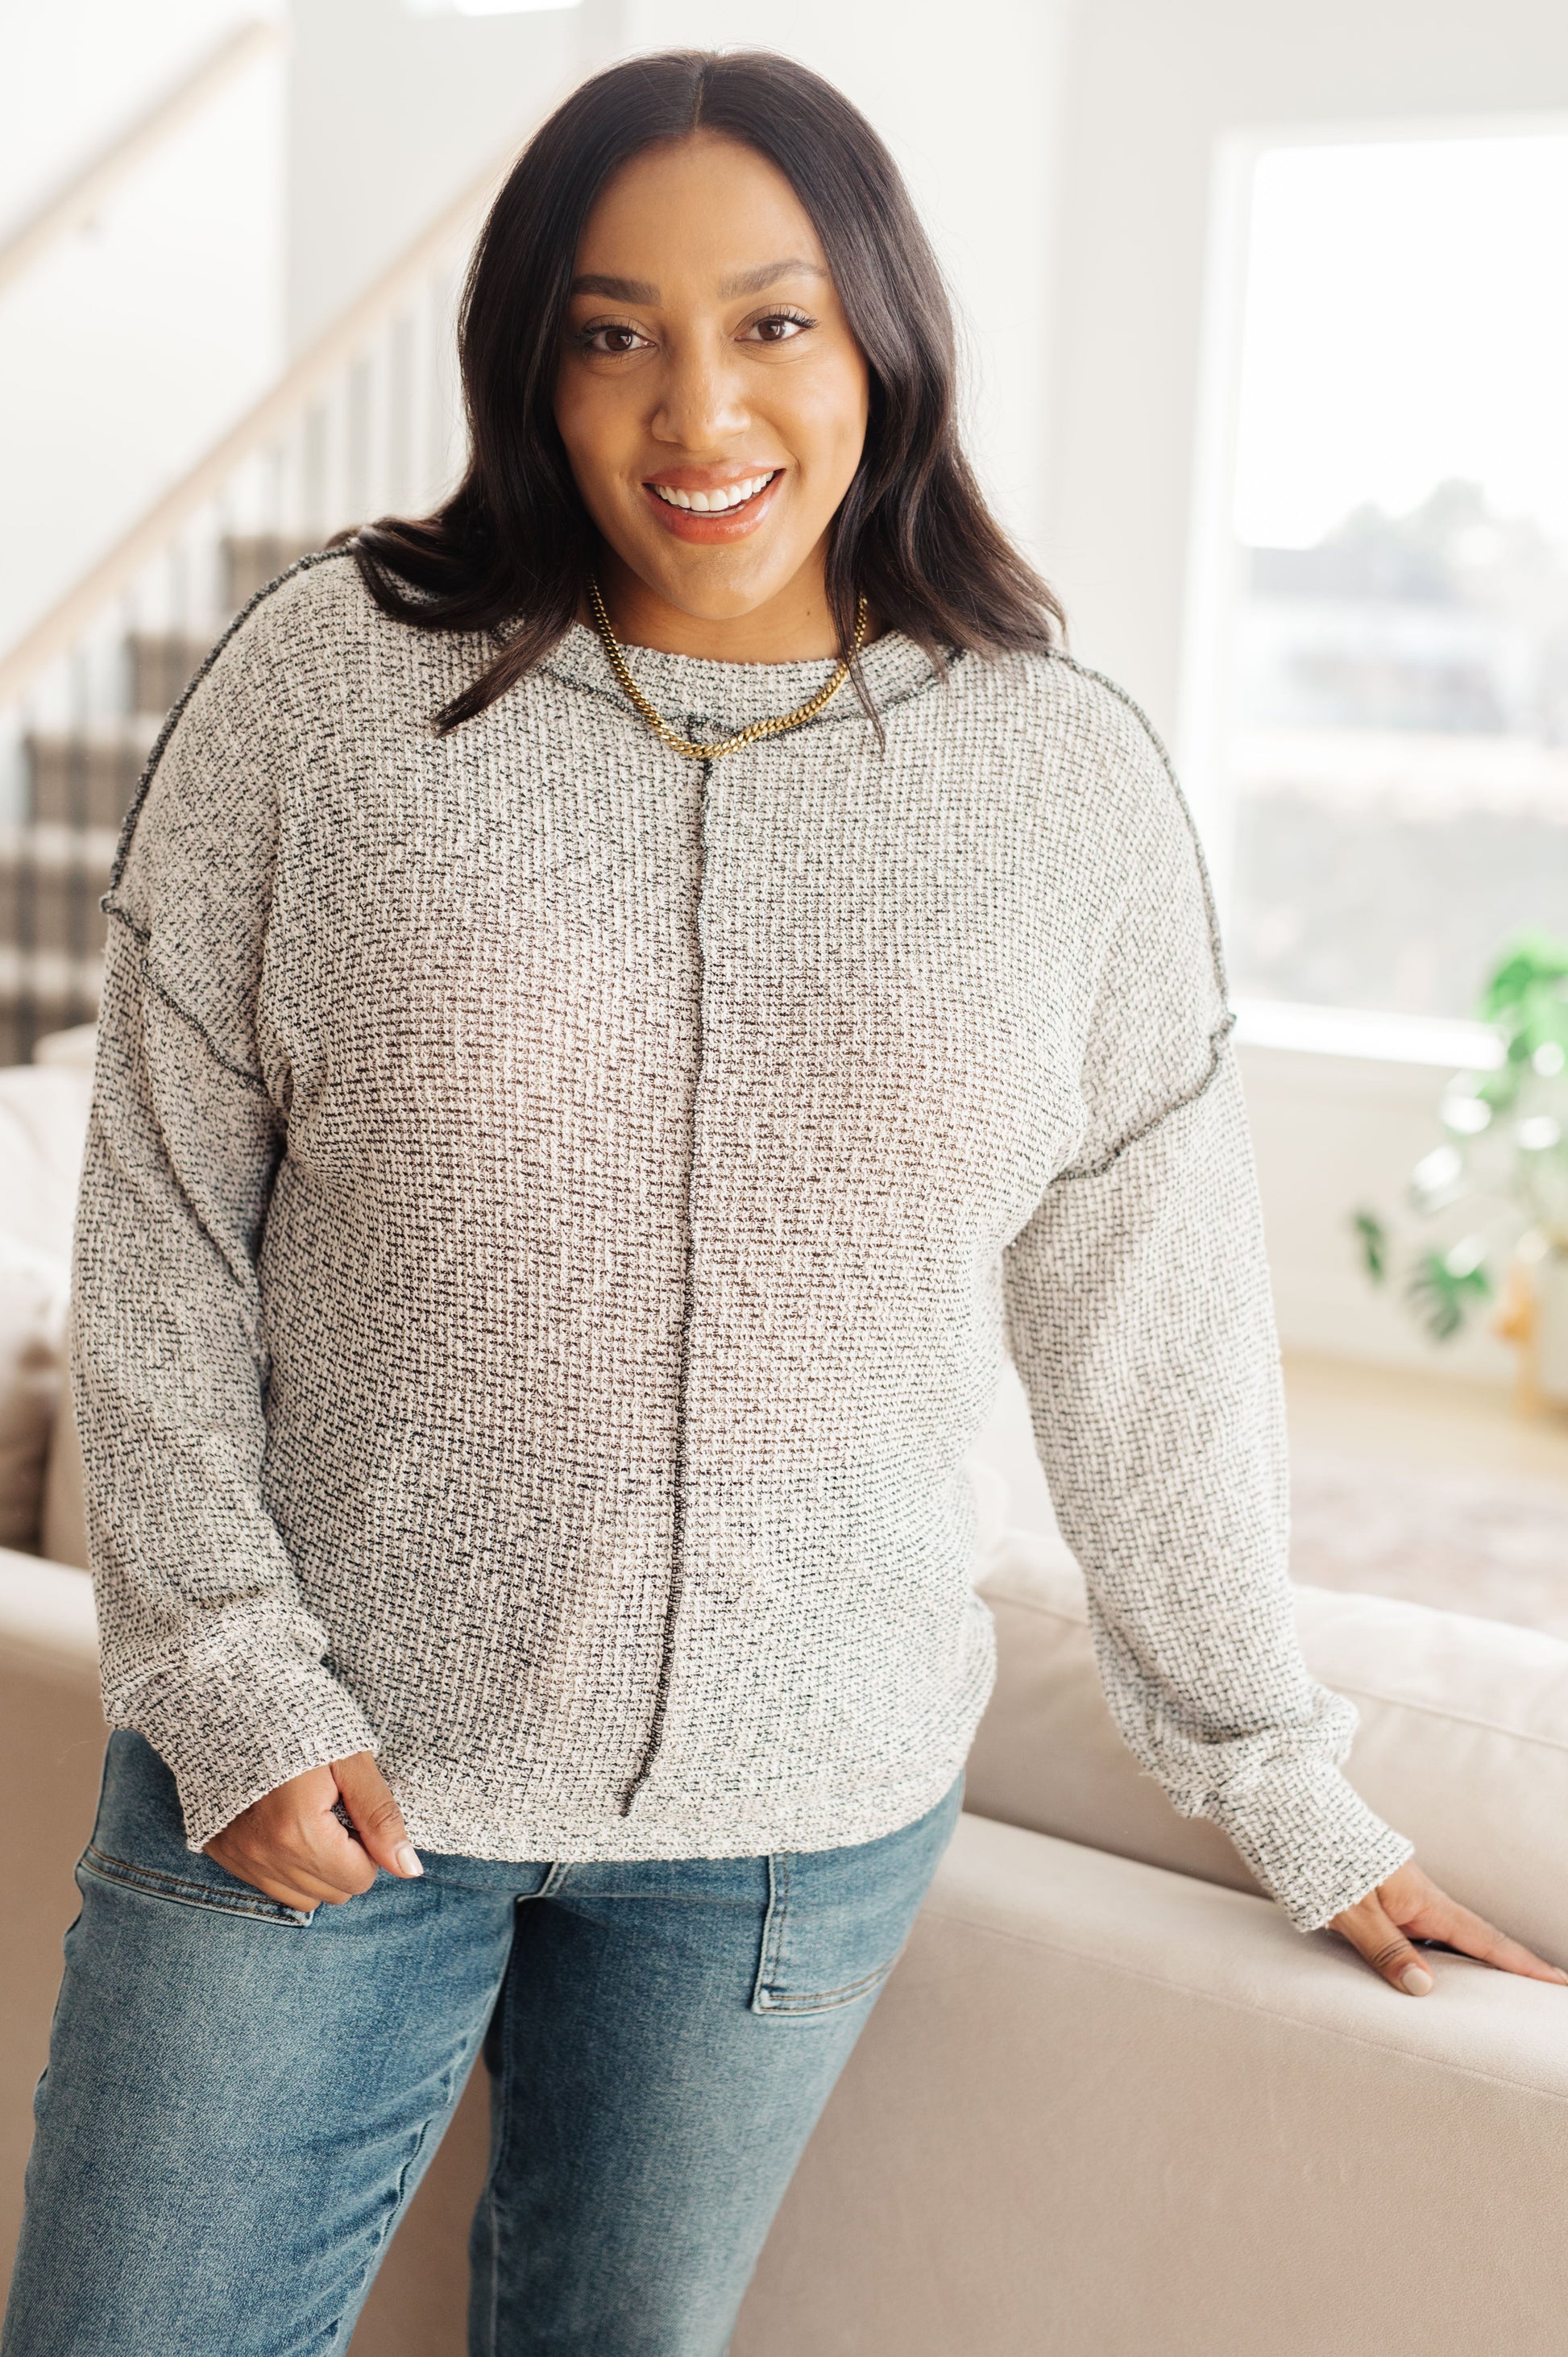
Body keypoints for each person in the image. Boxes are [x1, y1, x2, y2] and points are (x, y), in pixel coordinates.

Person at [5, 46, 1562, 2357]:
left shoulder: (1061, 778)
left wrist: (1286, 1786)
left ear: (883, 347)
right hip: (310, 1782)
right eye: (611, 329)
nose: (691, 410)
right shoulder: (330, 690)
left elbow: (1151, 1329)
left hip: (787, 1831)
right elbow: (154, 1214)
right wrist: (224, 1673)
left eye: (771, 323)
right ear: (527, 357)